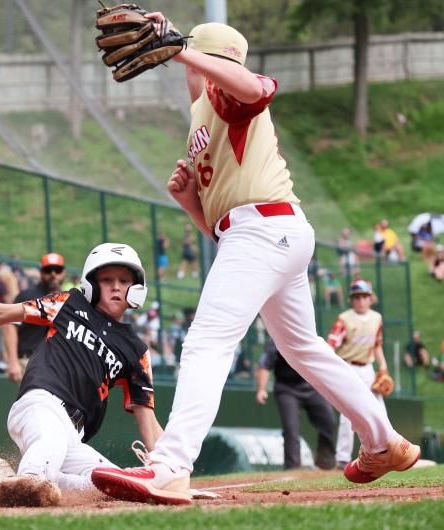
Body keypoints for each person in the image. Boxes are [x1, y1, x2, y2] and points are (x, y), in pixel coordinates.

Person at [90, 18, 420, 505]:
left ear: (206, 58)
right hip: (263, 233)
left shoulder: (227, 92)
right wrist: (189, 202)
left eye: (189, 54)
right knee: (303, 348)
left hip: (264, 231)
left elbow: (258, 88)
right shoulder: (203, 108)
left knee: (206, 341)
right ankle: (383, 442)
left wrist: (180, 47)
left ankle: (170, 466)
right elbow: (220, 231)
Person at [0, 243, 162, 505]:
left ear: (136, 288)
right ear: (92, 283)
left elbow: (147, 418)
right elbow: (4, 313)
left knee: (117, 486)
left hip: (74, 434)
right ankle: (27, 479)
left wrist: (170, 468)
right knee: (38, 472)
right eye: (107, 279)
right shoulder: (69, 303)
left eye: (124, 280)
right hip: (42, 404)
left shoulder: (136, 350)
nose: (116, 286)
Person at [327, 280, 390, 469]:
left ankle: (385, 450)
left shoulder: (377, 318)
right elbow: (331, 345)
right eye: (357, 297)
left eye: (364, 297)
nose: (361, 301)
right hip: (348, 368)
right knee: (348, 413)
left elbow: (377, 344)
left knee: (379, 409)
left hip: (368, 368)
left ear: (370, 298)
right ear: (351, 300)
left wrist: (384, 366)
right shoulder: (344, 318)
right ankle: (343, 458)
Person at [256, 337, 335, 470]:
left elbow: (324, 361)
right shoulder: (276, 339)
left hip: (311, 386)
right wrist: (261, 389)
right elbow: (264, 365)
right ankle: (292, 469)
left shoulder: (308, 336)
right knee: (291, 429)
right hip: (287, 389)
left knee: (329, 421)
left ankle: (324, 461)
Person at [2, 253, 66, 383]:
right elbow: (10, 326)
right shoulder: (28, 296)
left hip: (58, 366)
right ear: (41, 272)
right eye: (48, 270)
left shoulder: (69, 300)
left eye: (57, 270)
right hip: (29, 363)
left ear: (63, 273)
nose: (53, 274)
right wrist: (13, 361)